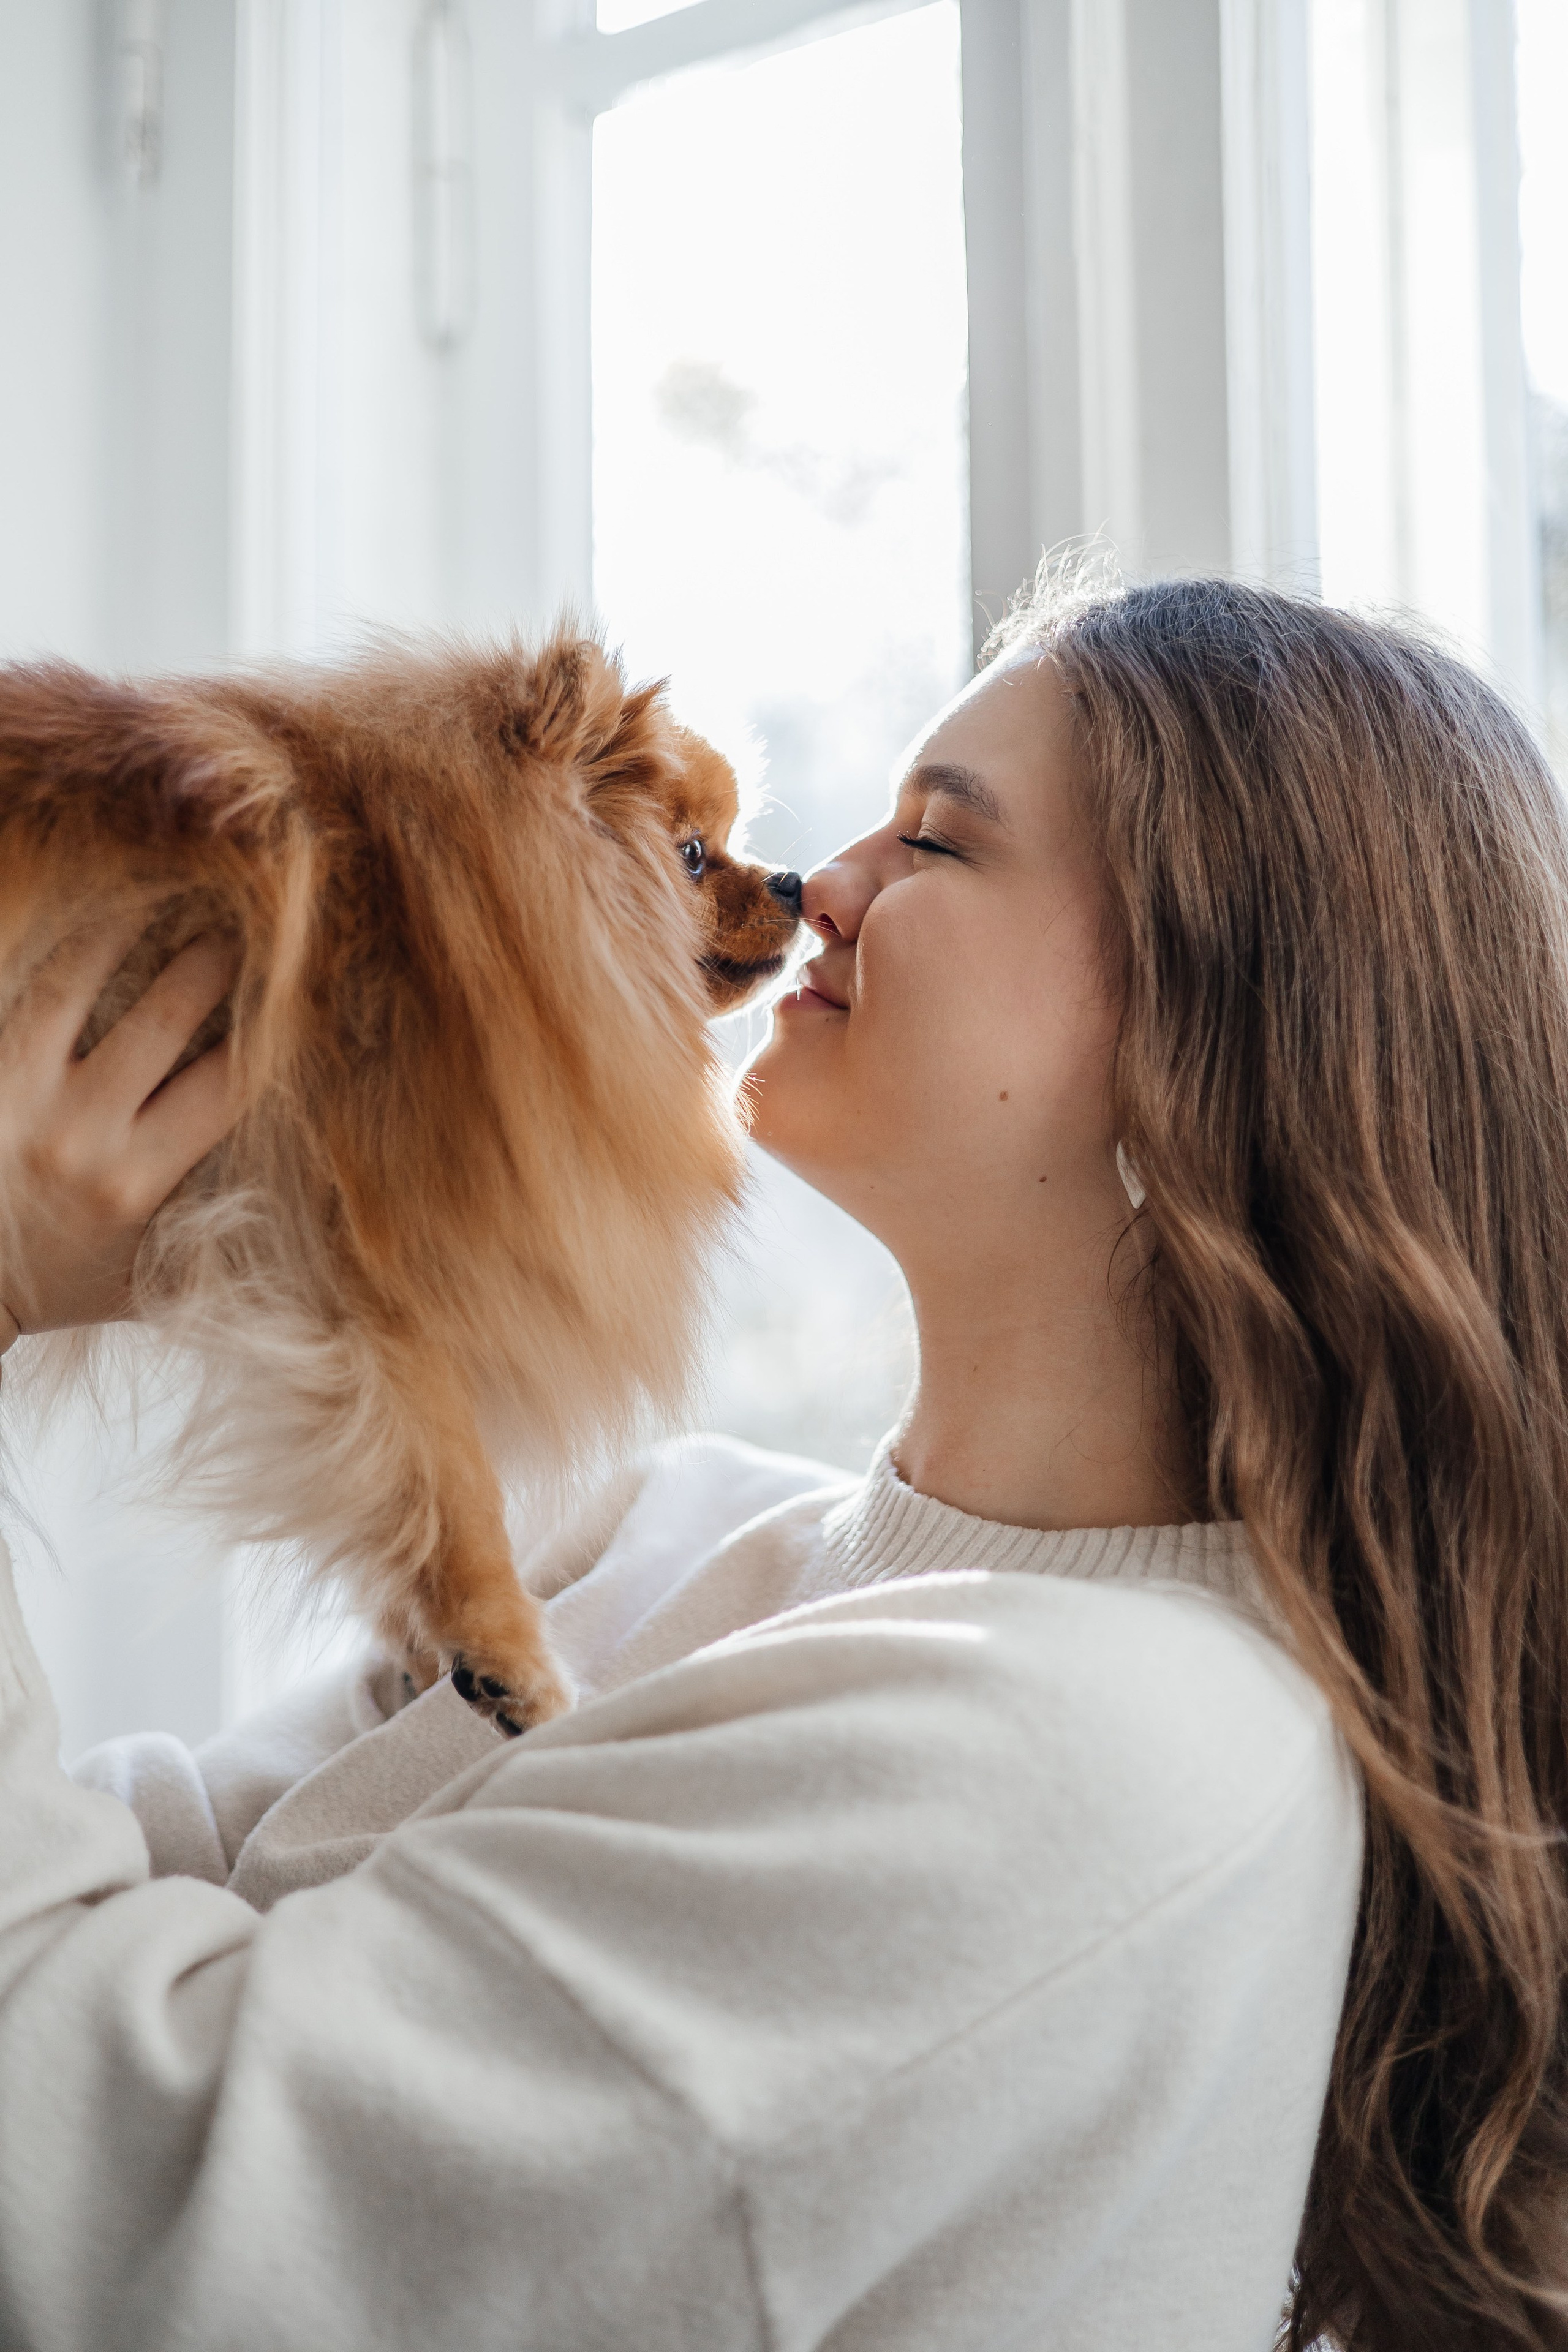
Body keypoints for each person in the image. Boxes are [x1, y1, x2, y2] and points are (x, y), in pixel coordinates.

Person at [0, 575, 1558, 2352]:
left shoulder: (1087, 1764)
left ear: (1211, 1021)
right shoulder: (669, 1537)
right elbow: (147, 1879)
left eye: (939, 846)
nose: (820, 883)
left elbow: (99, 2206)